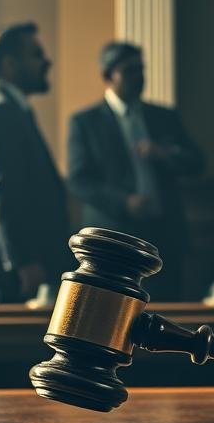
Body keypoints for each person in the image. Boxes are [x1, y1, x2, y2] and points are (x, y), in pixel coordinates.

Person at [67, 42, 205, 300]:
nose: (139, 76)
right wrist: (124, 202)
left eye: (141, 69)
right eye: (130, 70)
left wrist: (166, 154)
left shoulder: (163, 116)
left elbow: (197, 162)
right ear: (107, 76)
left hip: (164, 236)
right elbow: (78, 180)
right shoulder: (85, 122)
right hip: (112, 241)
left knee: (167, 314)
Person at [0, 22, 71, 302]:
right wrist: (24, 261)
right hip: (13, 274)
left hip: (9, 266)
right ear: (9, 64)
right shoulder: (1, 111)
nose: (47, 61)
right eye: (36, 54)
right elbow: (3, 193)